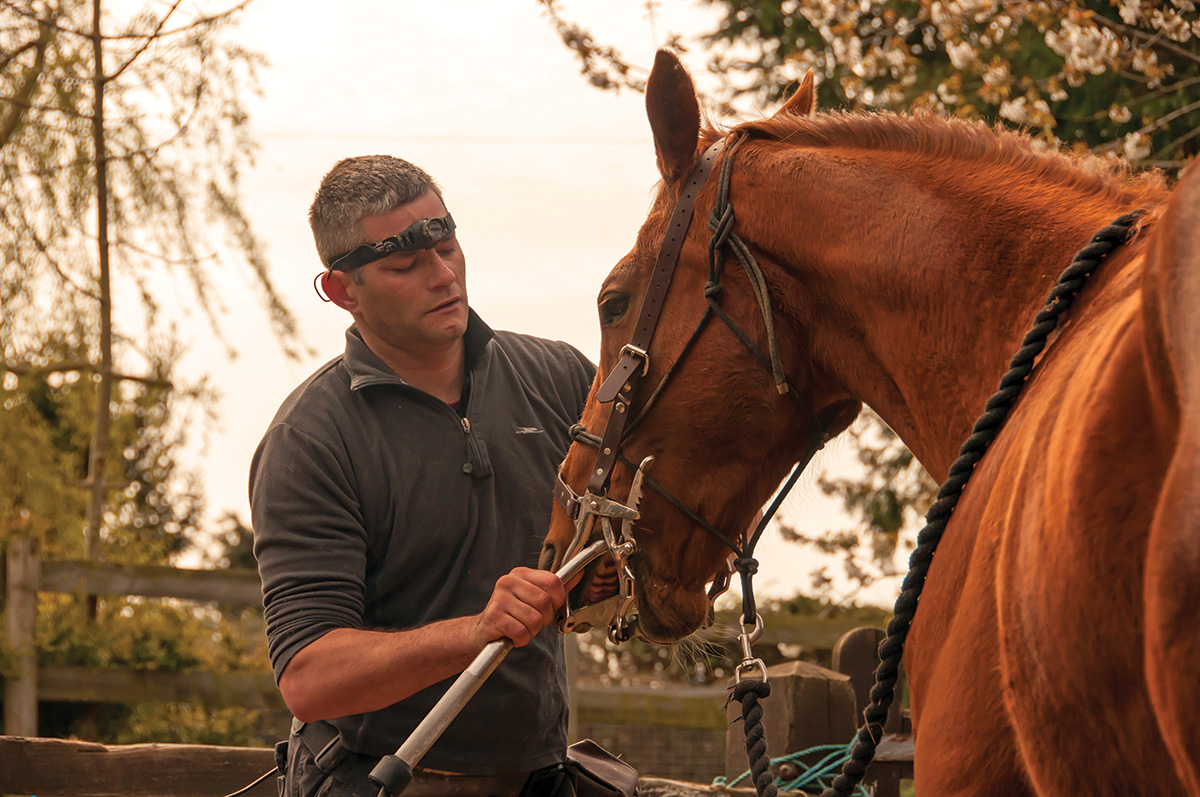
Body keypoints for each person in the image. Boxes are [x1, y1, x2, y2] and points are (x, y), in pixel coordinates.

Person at [250, 154, 599, 797]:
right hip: (376, 778)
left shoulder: (562, 381)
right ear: (342, 291)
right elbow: (310, 678)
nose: (442, 276)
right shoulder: (310, 439)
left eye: (447, 247)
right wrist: (476, 632)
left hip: (538, 777)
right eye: (405, 265)